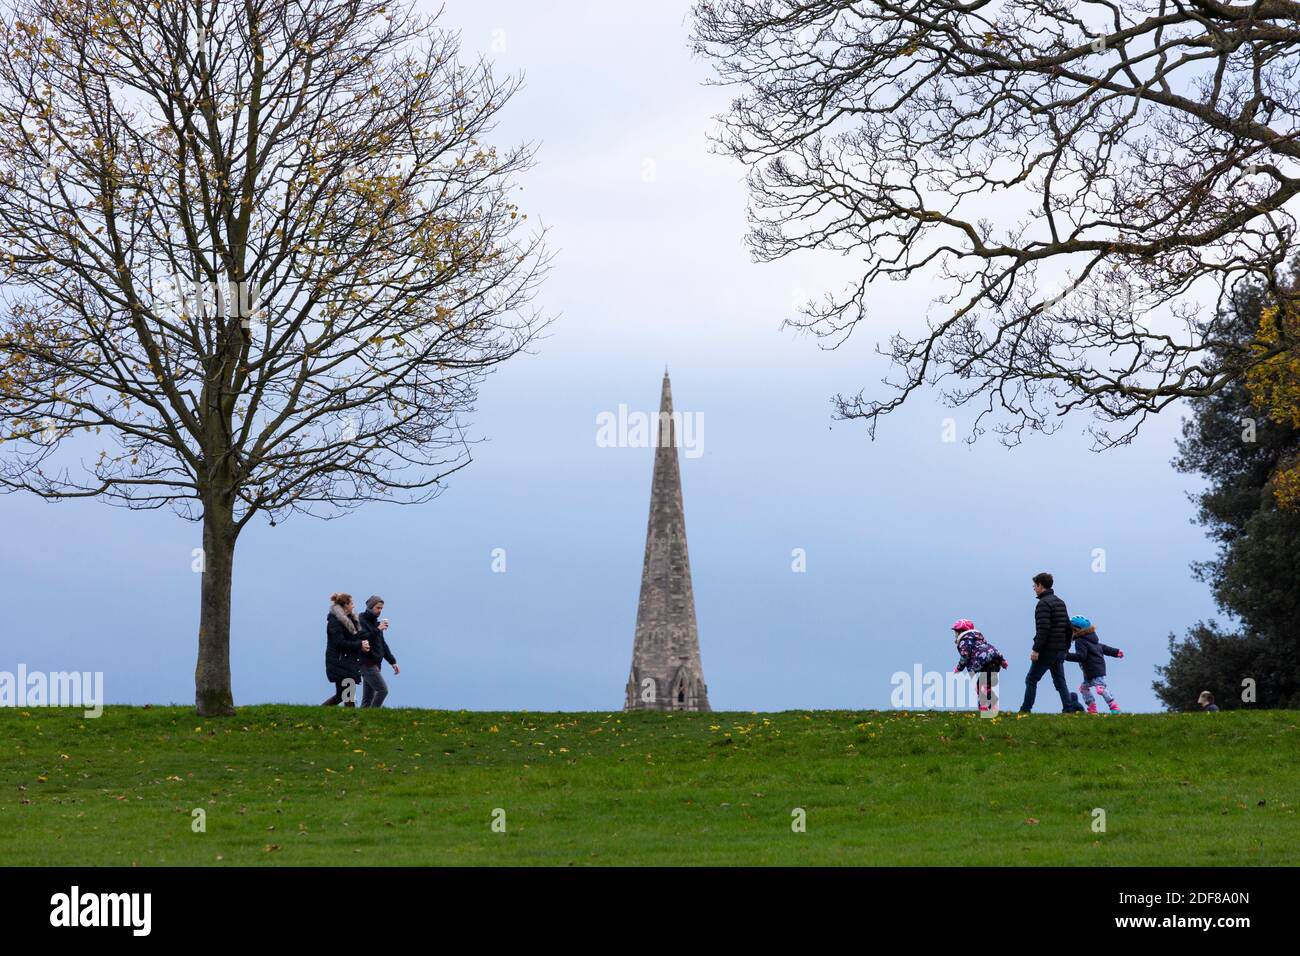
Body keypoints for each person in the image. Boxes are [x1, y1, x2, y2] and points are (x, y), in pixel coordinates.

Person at [1018, 571, 1075, 713]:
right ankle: (1068, 708)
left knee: (1031, 679)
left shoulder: (1043, 604)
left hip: (1047, 649)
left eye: (1034, 585)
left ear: (1040, 585)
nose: (1033, 588)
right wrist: (1066, 646)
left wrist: (1036, 649)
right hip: (1060, 649)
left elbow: (1043, 629)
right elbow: (1068, 627)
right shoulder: (1060, 602)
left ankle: (1025, 709)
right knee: (1060, 681)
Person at [1064, 615, 1124, 713]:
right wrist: (1116, 652)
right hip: (1089, 672)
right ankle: (1092, 707)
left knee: (1100, 689)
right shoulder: (1092, 640)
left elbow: (1081, 656)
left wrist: (1066, 656)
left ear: (1076, 630)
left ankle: (1114, 707)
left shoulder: (1080, 641)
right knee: (1083, 688)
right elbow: (1104, 648)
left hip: (1095, 670)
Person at [951, 619, 1008, 712]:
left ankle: (988, 707)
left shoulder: (964, 641)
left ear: (963, 631)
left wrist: (959, 668)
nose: (956, 634)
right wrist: (1002, 661)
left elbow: (965, 655)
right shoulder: (980, 639)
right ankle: (987, 706)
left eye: (957, 632)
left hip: (987, 665)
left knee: (982, 686)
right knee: (983, 686)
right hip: (995, 663)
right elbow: (993, 650)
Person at [322, 592, 367, 707]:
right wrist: (359, 645)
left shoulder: (351, 620)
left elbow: (357, 638)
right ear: (345, 605)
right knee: (348, 694)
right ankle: (352, 720)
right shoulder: (334, 622)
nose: (353, 605)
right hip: (339, 662)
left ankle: (317, 712)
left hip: (347, 662)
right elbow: (339, 643)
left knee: (341, 695)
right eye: (351, 603)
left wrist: (363, 642)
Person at [358, 595, 399, 708]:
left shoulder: (376, 623)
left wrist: (393, 662)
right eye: (378, 608)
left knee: (367, 699)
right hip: (366, 663)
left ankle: (362, 721)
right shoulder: (361, 620)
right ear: (370, 607)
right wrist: (378, 629)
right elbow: (363, 638)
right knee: (383, 690)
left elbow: (382, 645)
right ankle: (374, 714)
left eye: (381, 608)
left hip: (375, 664)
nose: (380, 610)